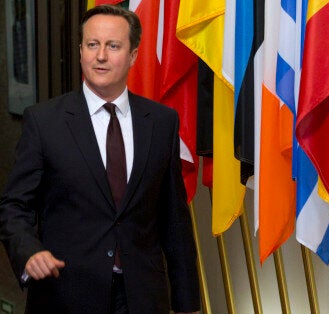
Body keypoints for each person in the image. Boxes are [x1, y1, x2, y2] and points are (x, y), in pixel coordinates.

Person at [0, 4, 200, 313]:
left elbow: (174, 219)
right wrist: (29, 252)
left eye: (113, 46)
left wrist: (187, 304)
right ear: (81, 51)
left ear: (133, 54)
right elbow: (14, 206)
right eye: (92, 45)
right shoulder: (43, 122)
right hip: (66, 295)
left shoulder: (161, 122)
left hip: (143, 298)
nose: (101, 56)